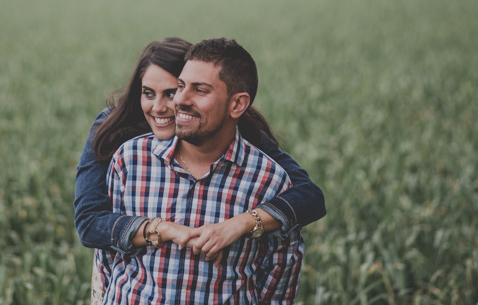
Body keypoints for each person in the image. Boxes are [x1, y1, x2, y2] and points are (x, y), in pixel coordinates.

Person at [73, 37, 325, 261]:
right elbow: (89, 223)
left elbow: (308, 196)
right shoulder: (116, 132)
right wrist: (165, 230)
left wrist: (239, 224)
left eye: (172, 92)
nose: (160, 107)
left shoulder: (233, 132)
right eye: (148, 93)